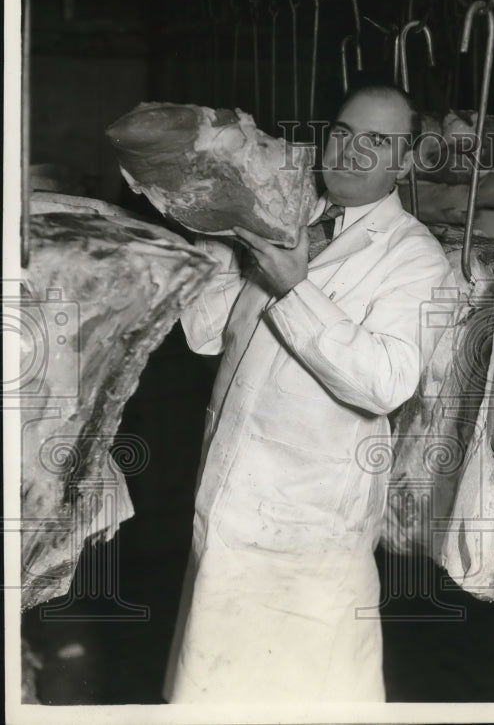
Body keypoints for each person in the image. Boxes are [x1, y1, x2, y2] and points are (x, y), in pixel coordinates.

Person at [163, 84, 455, 703]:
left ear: (404, 163)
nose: (350, 153)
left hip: (310, 529)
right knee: (209, 693)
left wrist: (295, 289)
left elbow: (387, 382)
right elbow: (203, 334)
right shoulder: (289, 216)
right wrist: (230, 240)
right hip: (228, 504)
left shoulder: (415, 258)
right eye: (343, 134)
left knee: (311, 698)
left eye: (376, 142)